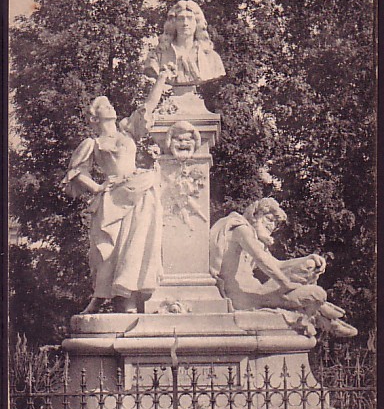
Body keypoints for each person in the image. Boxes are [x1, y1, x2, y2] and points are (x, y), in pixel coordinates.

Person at [62, 65, 176, 314]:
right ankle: (100, 297)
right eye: (104, 106)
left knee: (135, 243)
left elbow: (148, 106)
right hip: (113, 196)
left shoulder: (126, 131)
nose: (111, 107)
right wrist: (98, 188)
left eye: (110, 105)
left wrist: (163, 77)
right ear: (95, 117)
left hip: (138, 188)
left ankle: (127, 300)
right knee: (108, 250)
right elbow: (76, 172)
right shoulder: (93, 143)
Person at [210, 198, 357, 337]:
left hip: (258, 291)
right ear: (255, 215)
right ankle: (325, 316)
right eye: (269, 219)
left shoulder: (255, 239)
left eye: (275, 224)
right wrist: (286, 285)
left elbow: (277, 265)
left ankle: (323, 314)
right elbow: (262, 261)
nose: (271, 226)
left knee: (309, 266)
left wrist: (308, 259)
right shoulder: (240, 229)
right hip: (243, 296)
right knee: (317, 294)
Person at [144, 0, 225, 86]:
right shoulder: (156, 56)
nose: (185, 23)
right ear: (173, 23)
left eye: (190, 18)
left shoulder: (212, 58)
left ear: (197, 23)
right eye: (180, 19)